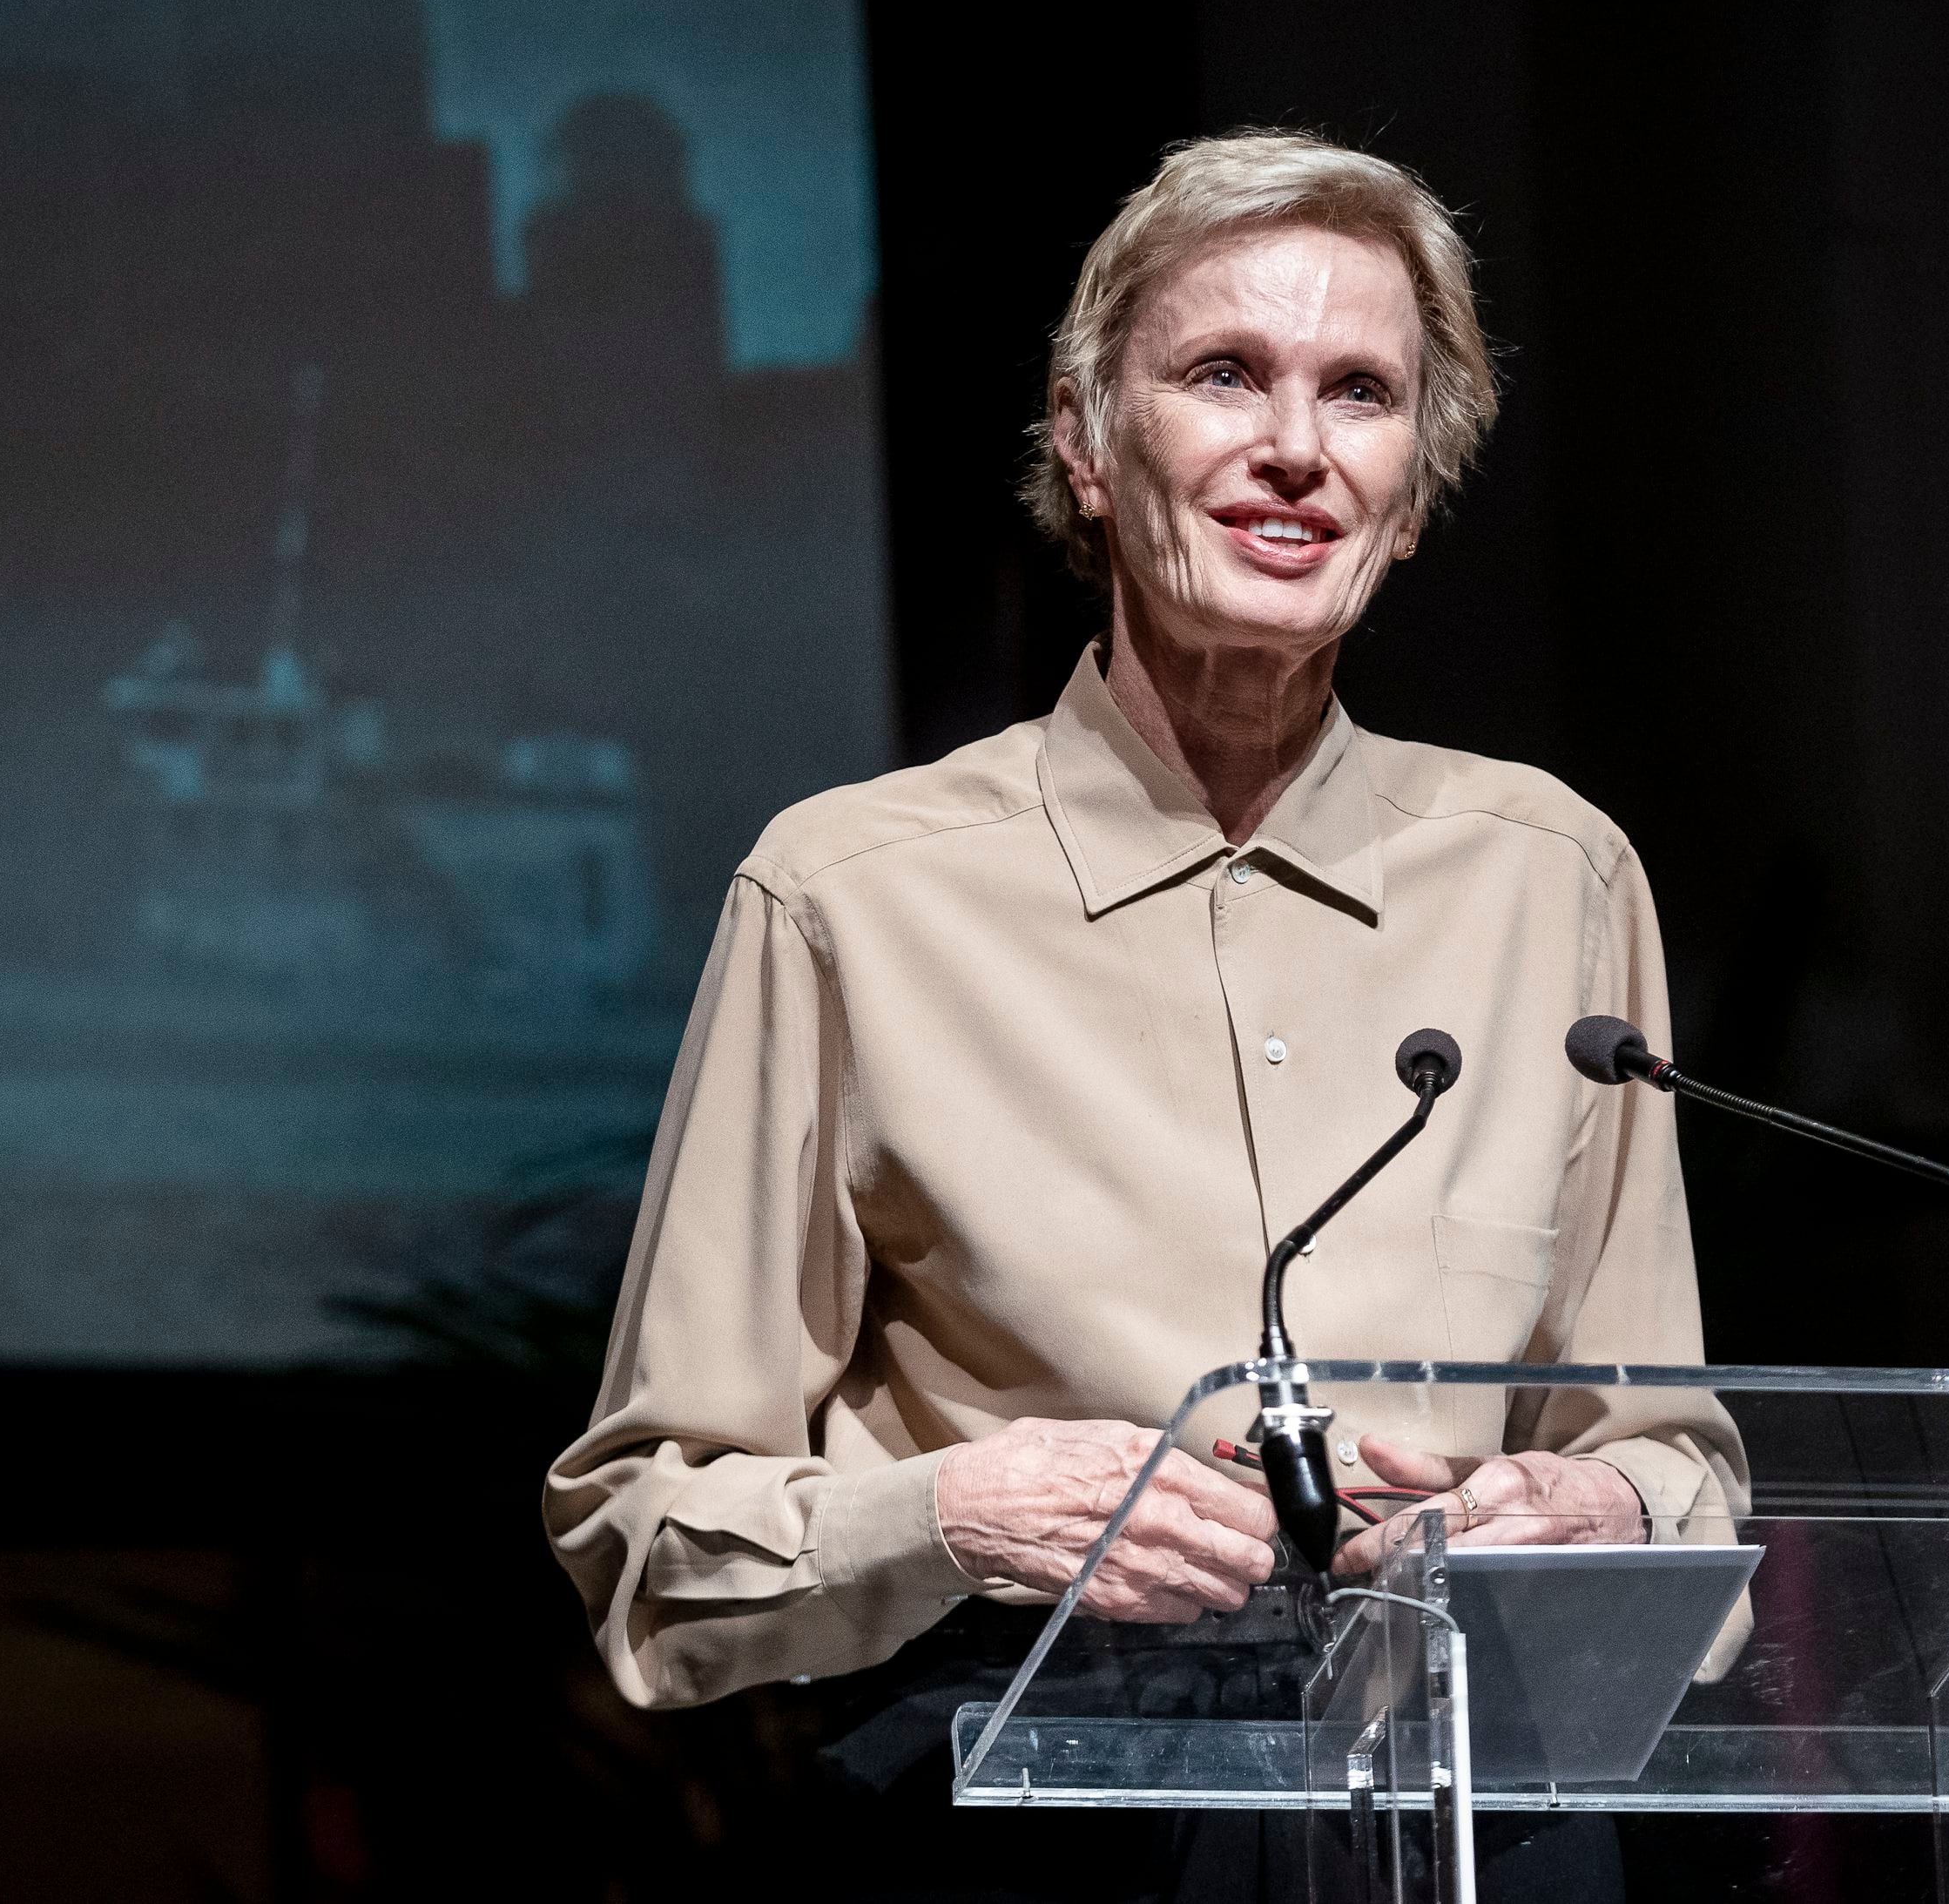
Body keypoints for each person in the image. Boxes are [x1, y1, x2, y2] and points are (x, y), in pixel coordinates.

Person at [544, 130, 1741, 1899]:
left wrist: (1603, 1512)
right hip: (1033, 1799)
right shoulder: (851, 896)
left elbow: (1667, 1449)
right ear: (1087, 446)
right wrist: (958, 1517)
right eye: (1221, 376)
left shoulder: (1549, 876)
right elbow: (652, 1533)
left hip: (1484, 1804)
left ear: (1412, 493)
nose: (1292, 449)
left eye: (1361, 396)